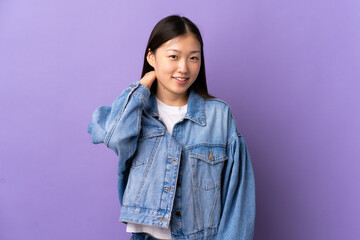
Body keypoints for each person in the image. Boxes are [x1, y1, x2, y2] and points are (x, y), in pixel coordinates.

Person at [87, 14, 256, 240]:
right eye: (173, 56)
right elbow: (114, 137)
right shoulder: (135, 113)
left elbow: (239, 198)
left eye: (194, 58)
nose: (184, 68)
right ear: (152, 57)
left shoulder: (219, 115)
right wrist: (142, 88)